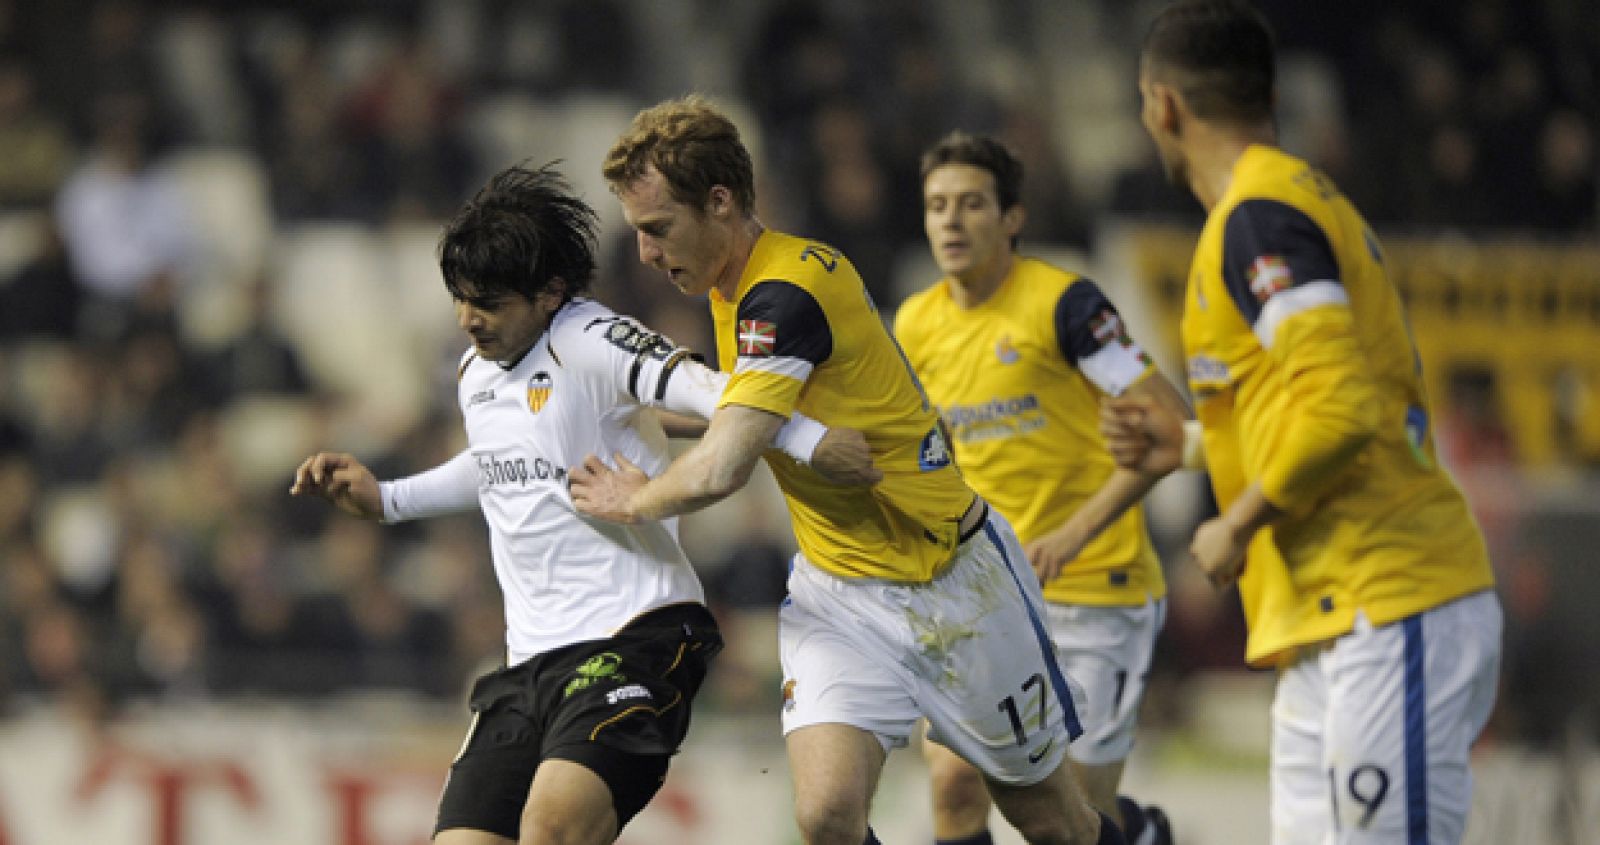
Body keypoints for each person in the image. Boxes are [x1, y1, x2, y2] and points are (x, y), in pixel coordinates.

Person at [573, 95, 1125, 845]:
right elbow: (743, 408)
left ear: (721, 202)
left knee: (1053, 822)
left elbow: (723, 466)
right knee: (827, 813)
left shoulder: (784, 292)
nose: (643, 252)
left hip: (954, 583)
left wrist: (637, 498)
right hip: (841, 593)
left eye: (657, 228)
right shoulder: (734, 289)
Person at [290, 162, 875, 845]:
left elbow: (709, 389)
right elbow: (498, 462)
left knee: (552, 828)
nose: (467, 318)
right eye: (460, 298)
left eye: (488, 302)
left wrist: (811, 440)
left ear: (550, 292)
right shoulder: (475, 369)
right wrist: (386, 500)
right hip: (529, 664)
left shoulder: (593, 340)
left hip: (635, 636)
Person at [1103, 2, 1503, 842]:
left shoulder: (1262, 219)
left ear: (1162, 106)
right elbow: (1314, 406)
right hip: (1331, 618)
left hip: (1387, 602)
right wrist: (1188, 446)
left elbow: (1343, 411)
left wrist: (1235, 520)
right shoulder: (1274, 211)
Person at [896, 130, 1184, 845]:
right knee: (954, 784)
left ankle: (1138, 834)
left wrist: (1074, 532)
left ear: (1012, 217)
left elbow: (1169, 423)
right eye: (937, 206)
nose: (952, 221)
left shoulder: (1068, 307)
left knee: (1076, 818)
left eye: (971, 204)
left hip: (1096, 584)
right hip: (988, 591)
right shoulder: (915, 321)